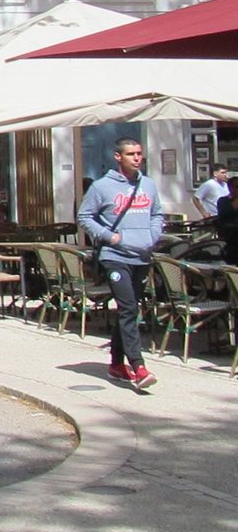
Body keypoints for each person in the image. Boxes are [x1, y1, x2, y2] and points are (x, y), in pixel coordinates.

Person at [79, 137, 164, 390]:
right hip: (115, 257)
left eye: (139, 154)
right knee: (128, 308)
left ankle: (116, 363)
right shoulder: (101, 187)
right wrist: (110, 237)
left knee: (130, 309)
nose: (137, 158)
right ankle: (138, 366)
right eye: (131, 154)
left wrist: (153, 235)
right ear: (118, 157)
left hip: (142, 255)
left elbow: (157, 213)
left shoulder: (148, 185)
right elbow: (84, 216)